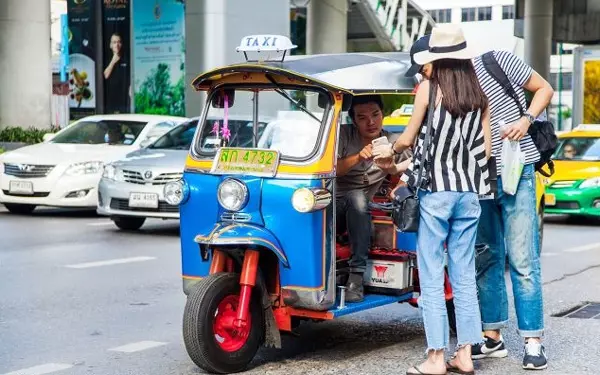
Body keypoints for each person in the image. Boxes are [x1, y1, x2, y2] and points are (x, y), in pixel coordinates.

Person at [375, 24, 492, 375]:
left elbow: (409, 138)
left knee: (430, 273)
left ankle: (436, 358)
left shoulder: (428, 88)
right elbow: (484, 150)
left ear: (437, 59)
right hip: (470, 194)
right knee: (464, 275)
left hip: (437, 195)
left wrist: (389, 151)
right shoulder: (480, 93)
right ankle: (466, 355)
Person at [468, 41, 554, 371]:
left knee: (522, 257)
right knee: (487, 256)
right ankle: (492, 337)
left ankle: (533, 342)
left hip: (517, 170)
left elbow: (543, 88)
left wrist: (526, 119)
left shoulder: (497, 61)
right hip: (477, 178)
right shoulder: (445, 85)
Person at [336, 95, 412, 302]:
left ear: (383, 115)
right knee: (356, 198)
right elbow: (333, 169)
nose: (371, 122)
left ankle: (356, 277)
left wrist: (400, 184)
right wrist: (359, 157)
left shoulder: (393, 142)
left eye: (375, 115)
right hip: (333, 206)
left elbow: (416, 165)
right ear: (353, 120)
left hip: (361, 208)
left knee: (359, 200)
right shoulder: (343, 135)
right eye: (362, 117)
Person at [104, 33, 130, 113]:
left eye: (119, 42)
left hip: (124, 99)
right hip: (111, 100)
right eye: (114, 42)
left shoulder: (127, 59)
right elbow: (106, 75)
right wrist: (113, 61)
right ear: (110, 45)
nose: (117, 45)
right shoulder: (106, 59)